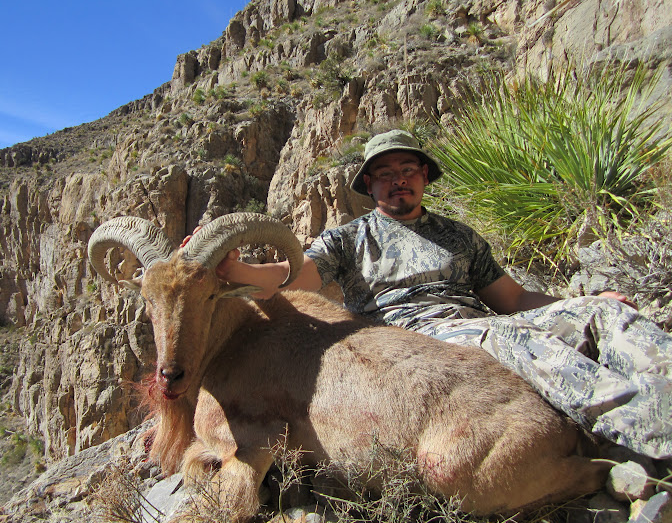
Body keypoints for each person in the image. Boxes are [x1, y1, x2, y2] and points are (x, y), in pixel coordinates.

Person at [213, 130, 672, 460]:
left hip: (485, 323)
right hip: (415, 342)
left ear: (425, 177)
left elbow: (512, 301)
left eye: (409, 169)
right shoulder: (348, 240)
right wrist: (235, 269)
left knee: (605, 315)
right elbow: (291, 278)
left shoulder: (458, 235)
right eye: (385, 173)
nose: (399, 179)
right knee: (514, 342)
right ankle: (651, 432)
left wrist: (582, 306)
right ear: (368, 186)